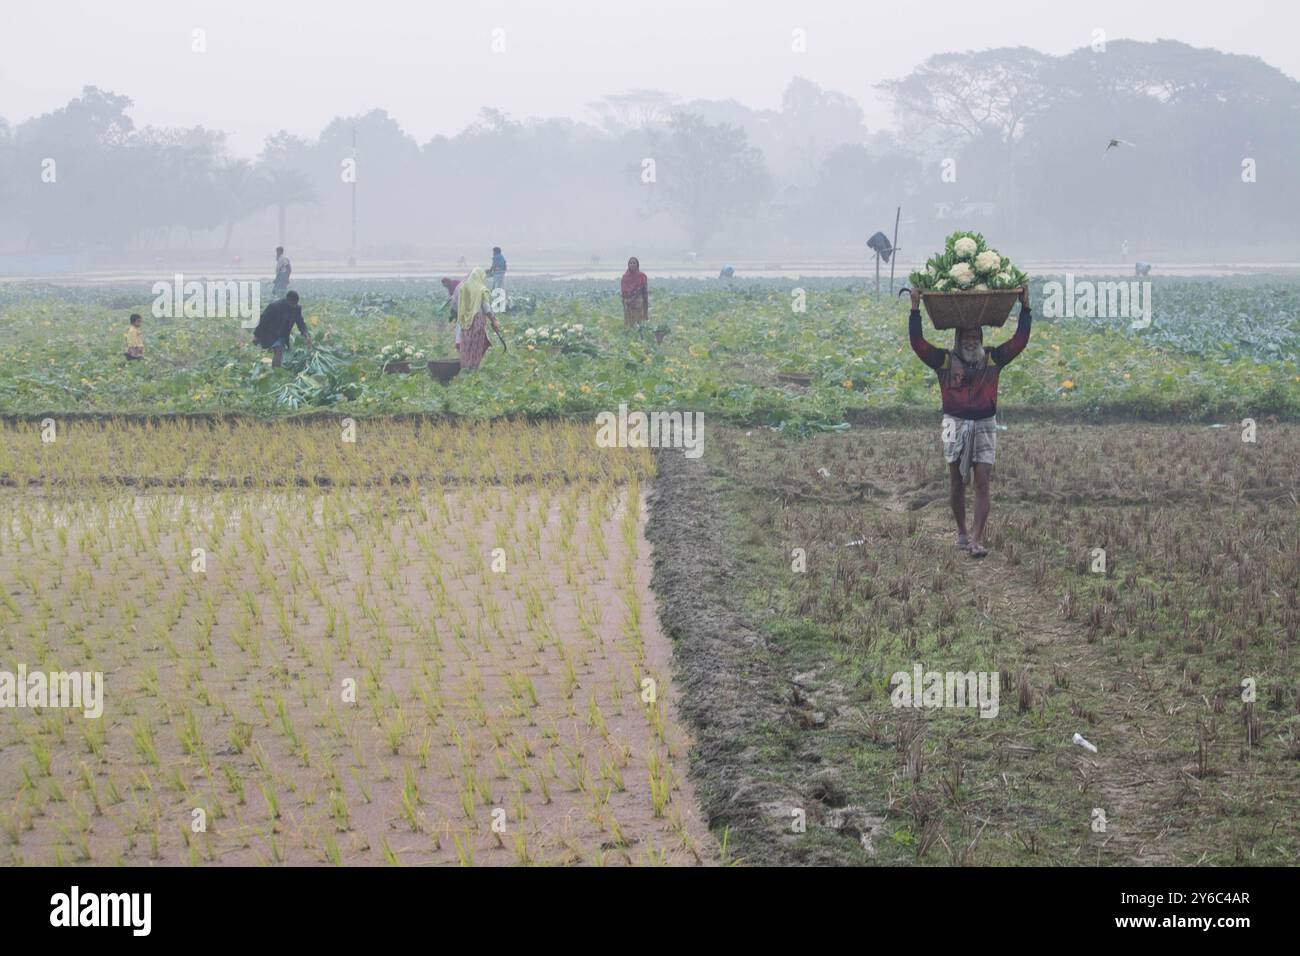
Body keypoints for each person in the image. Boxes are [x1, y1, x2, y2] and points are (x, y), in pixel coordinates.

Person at [908, 285, 1031, 558]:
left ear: (981, 338)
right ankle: (962, 531)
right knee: (956, 482)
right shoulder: (944, 360)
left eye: (976, 337)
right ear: (958, 339)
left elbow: (1020, 340)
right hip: (953, 422)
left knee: (982, 481)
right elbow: (918, 344)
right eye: (967, 337)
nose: (972, 341)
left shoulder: (993, 358)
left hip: (986, 423)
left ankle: (976, 538)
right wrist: (915, 309)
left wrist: (1026, 307)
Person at [455, 268, 500, 370]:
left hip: (464, 321)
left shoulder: (464, 288)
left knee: (467, 345)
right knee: (477, 345)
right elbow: (486, 308)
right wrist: (494, 320)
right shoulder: (481, 289)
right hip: (477, 321)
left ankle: (465, 367)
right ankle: (473, 367)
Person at [253, 290, 311, 368]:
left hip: (283, 335)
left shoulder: (296, 308)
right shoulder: (275, 307)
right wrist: (256, 335)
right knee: (278, 349)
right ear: (288, 300)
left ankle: (275, 369)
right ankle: (277, 373)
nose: (294, 305)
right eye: (292, 303)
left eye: (296, 303)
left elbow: (300, 322)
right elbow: (263, 321)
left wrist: (305, 334)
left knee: (279, 353)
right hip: (269, 333)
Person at [620, 257, 649, 329]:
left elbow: (644, 291)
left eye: (634, 263)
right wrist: (625, 302)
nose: (632, 265)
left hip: (638, 303)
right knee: (628, 324)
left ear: (637, 265)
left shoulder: (642, 276)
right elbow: (623, 292)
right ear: (628, 265)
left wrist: (646, 308)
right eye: (631, 263)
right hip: (627, 303)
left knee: (638, 324)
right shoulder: (625, 277)